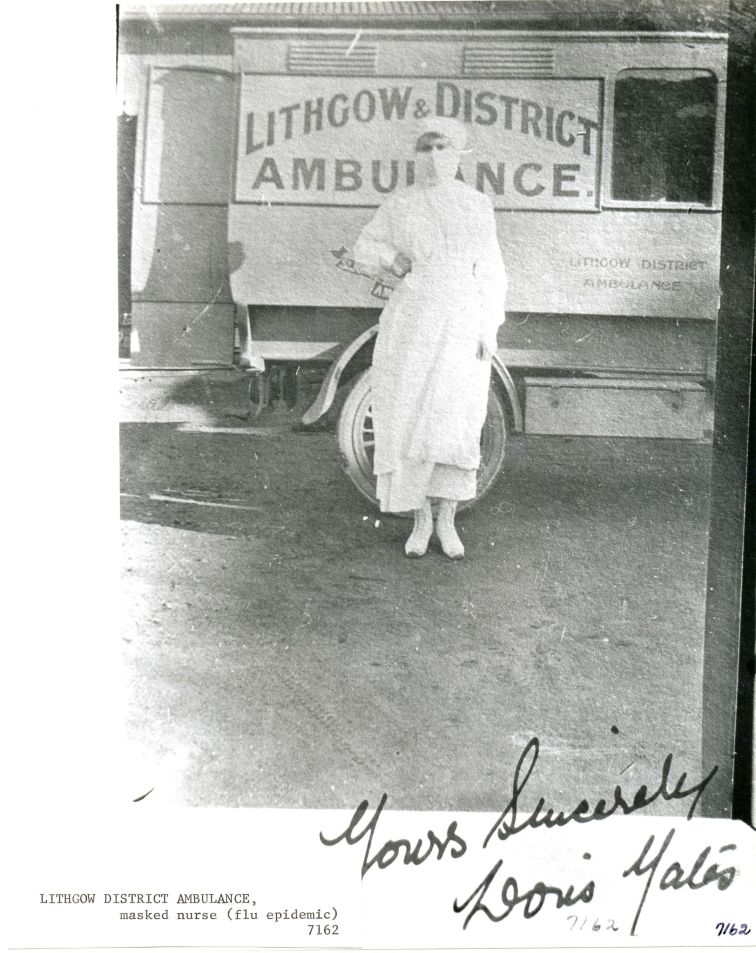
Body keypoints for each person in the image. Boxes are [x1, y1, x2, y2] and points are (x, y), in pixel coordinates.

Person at [353, 117, 507, 559]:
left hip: (461, 320)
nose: (436, 157)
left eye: (445, 148)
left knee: (456, 418)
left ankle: (448, 521)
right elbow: (365, 245)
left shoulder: (477, 205)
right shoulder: (401, 204)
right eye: (428, 148)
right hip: (413, 319)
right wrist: (390, 257)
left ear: (459, 153)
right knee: (409, 415)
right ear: (417, 155)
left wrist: (487, 327)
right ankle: (420, 520)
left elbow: (492, 270)